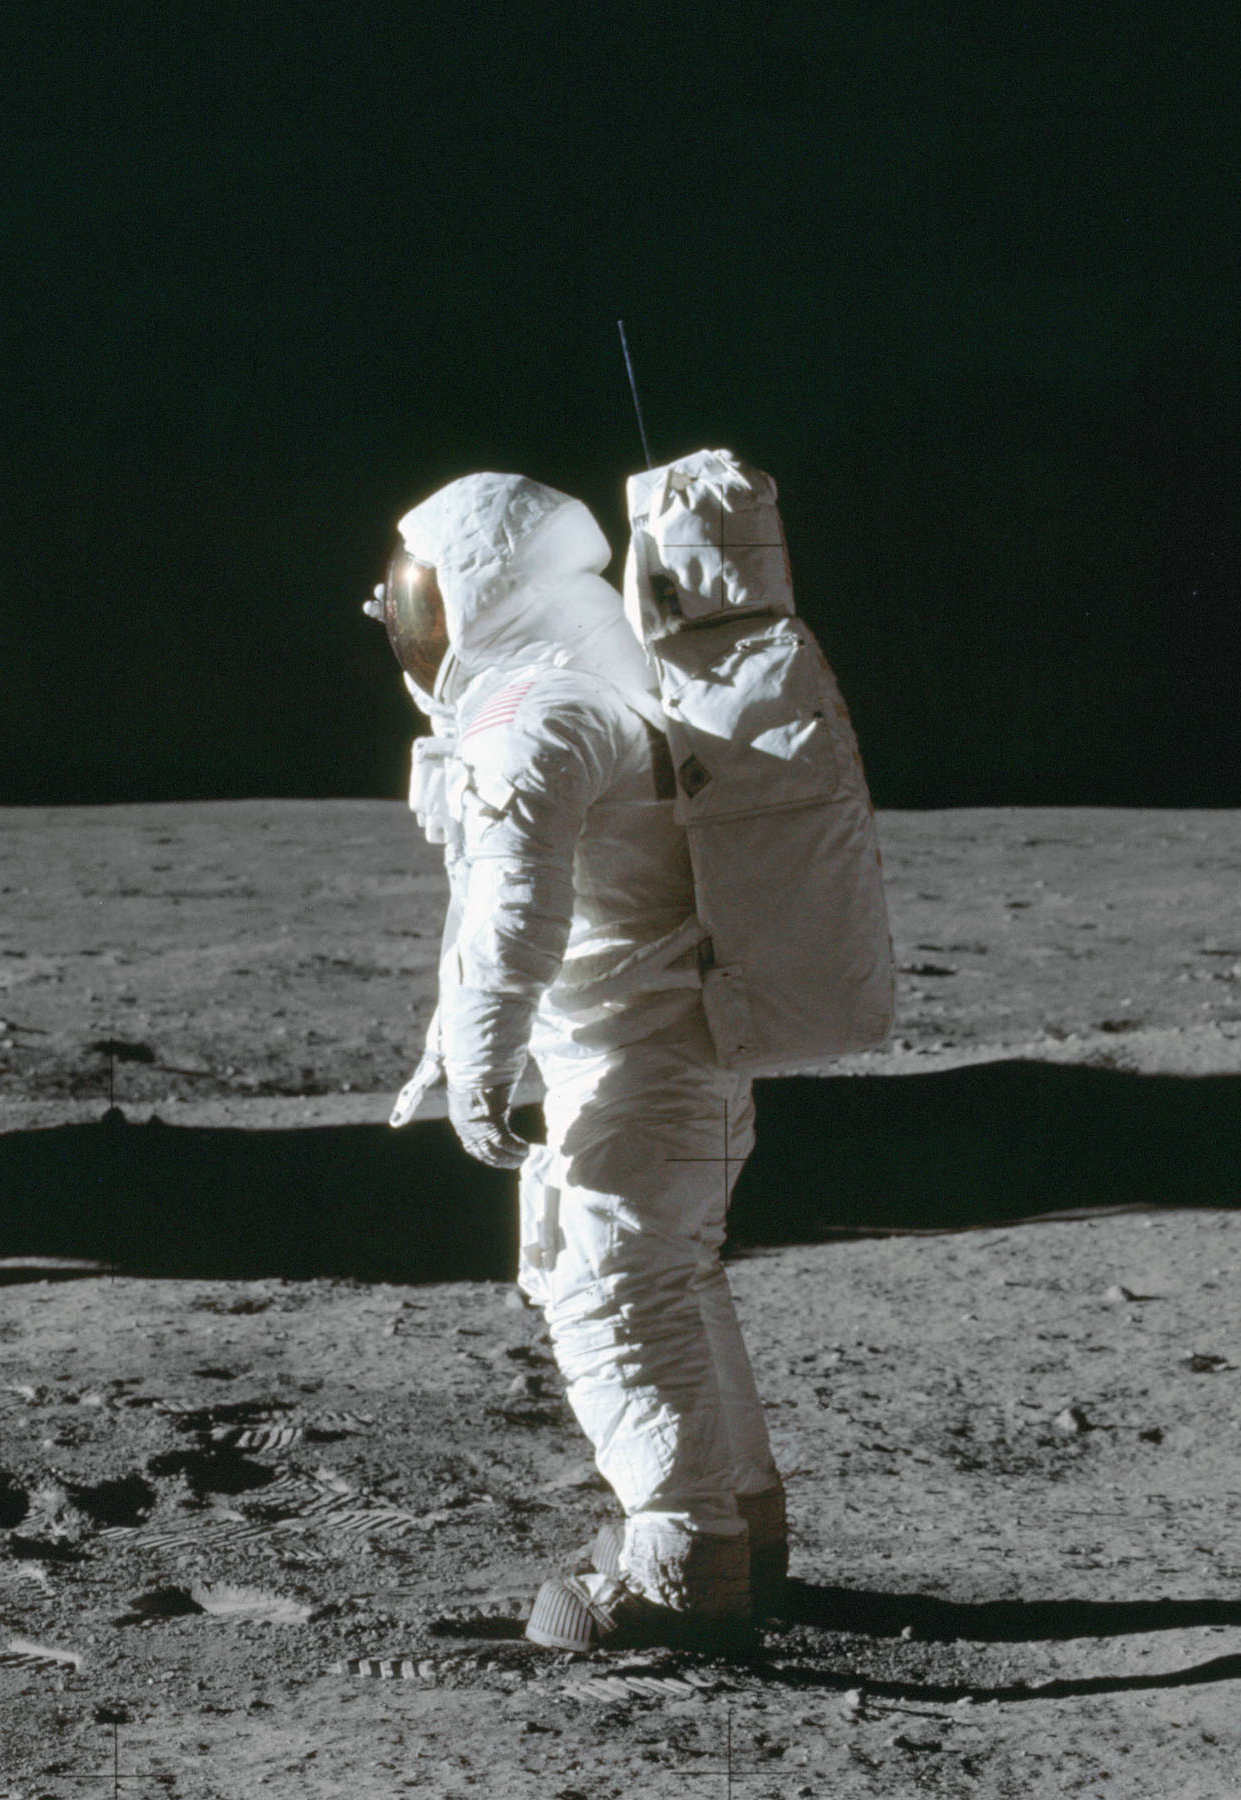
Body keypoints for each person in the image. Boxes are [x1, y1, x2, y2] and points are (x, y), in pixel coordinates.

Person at [368, 472, 785, 1651]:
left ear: (481, 597)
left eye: (423, 598)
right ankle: (743, 1528)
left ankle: (681, 1567)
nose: (406, 622)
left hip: (632, 1067)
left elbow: (512, 911)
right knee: (673, 1282)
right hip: (682, 1061)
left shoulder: (536, 711)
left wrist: (479, 1062)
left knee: (610, 1298)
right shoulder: (611, 684)